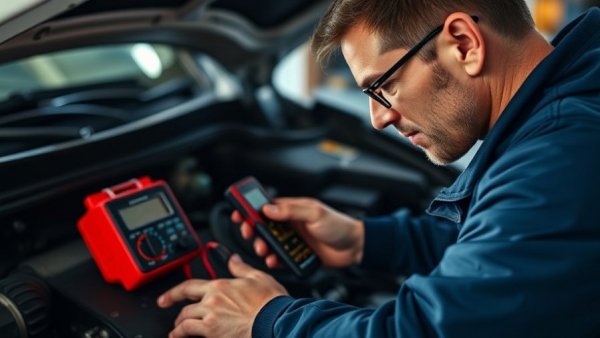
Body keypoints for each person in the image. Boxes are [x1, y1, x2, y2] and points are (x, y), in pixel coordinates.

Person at [156, 0, 600, 337]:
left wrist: (267, 318)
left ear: (463, 43)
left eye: (383, 86)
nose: (378, 117)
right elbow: (504, 246)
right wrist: (365, 241)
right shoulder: (569, 100)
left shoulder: (557, 159)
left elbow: (427, 330)